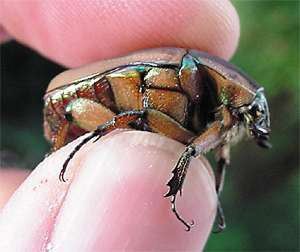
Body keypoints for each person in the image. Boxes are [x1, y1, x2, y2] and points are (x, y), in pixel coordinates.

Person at [0, 1, 240, 250]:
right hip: (79, 103)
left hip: (108, 114)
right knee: (104, 115)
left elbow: (216, 150)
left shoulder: (212, 118)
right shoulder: (184, 76)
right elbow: (137, 116)